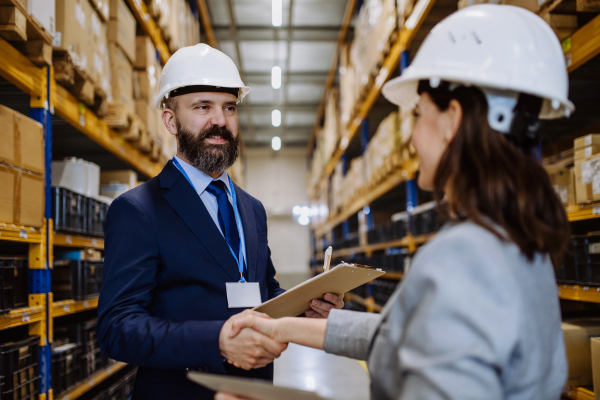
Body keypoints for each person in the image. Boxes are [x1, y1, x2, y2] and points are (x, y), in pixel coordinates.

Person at [216, 5, 573, 400]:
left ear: (452, 120)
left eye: (418, 114)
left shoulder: (465, 258)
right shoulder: (518, 240)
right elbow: (409, 336)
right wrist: (282, 327)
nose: (413, 136)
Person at [96, 44, 344, 399]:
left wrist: (306, 311)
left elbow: (263, 290)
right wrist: (217, 342)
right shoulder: (138, 210)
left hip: (254, 389)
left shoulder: (251, 208)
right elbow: (117, 328)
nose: (220, 121)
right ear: (171, 120)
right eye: (202, 107)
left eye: (229, 108)